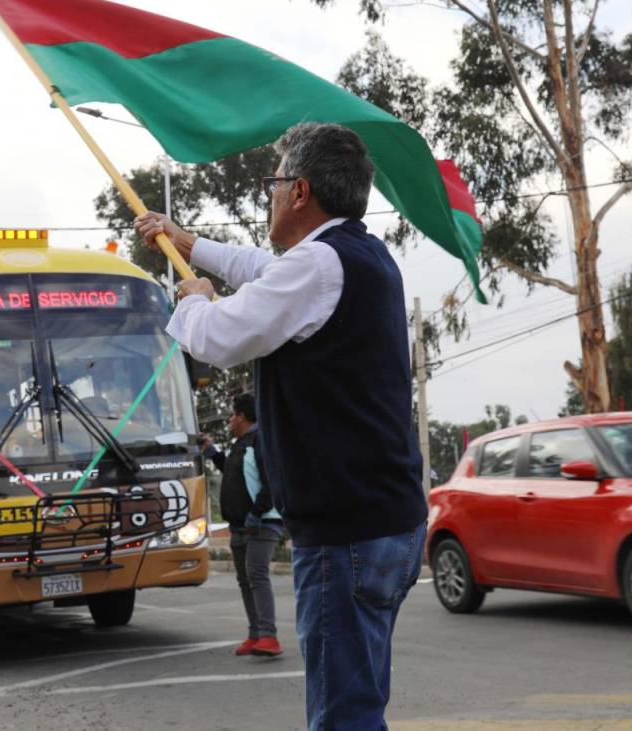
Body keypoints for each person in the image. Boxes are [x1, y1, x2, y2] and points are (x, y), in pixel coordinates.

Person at [135, 122, 427, 729]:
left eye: (272, 184)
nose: (268, 196)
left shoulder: (319, 264)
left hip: (344, 533)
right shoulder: (358, 254)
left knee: (343, 715)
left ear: (299, 191)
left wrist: (192, 297)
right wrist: (187, 242)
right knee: (361, 702)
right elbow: (263, 269)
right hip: (386, 521)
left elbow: (216, 337)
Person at [201, 393, 283, 657]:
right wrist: (212, 451)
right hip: (240, 526)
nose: (229, 419)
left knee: (256, 576)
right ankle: (256, 634)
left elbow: (272, 481)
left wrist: (256, 513)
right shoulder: (242, 443)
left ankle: (269, 637)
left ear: (243, 416)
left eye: (232, 414)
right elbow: (235, 474)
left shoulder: (260, 441)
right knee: (246, 581)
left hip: (262, 523)